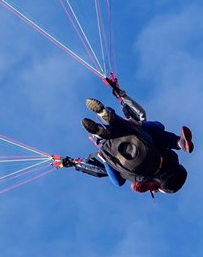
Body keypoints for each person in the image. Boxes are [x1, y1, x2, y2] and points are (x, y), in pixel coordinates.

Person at [53, 77, 193, 195]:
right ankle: (102, 138)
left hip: (132, 133)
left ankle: (178, 143)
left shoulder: (169, 157)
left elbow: (158, 128)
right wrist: (75, 163)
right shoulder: (141, 178)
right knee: (117, 180)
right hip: (111, 150)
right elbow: (113, 179)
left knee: (149, 125)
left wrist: (122, 98)